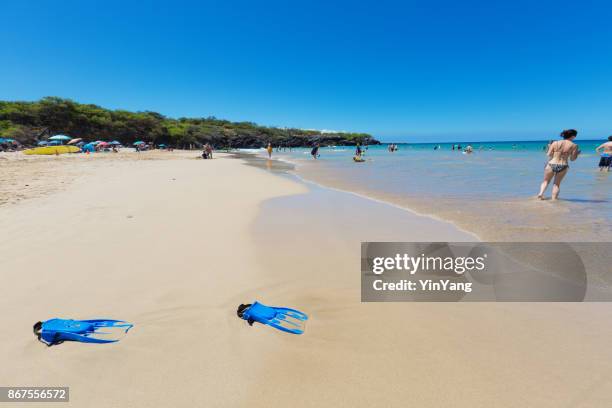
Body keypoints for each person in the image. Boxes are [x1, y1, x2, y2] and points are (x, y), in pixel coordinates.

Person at [537, 129, 580, 200]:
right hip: (563, 165)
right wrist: (577, 154)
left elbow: (549, 154)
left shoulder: (555, 143)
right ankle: (554, 200)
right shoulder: (574, 145)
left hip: (551, 164)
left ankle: (540, 194)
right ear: (573, 136)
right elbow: (572, 159)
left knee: (545, 181)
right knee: (556, 184)